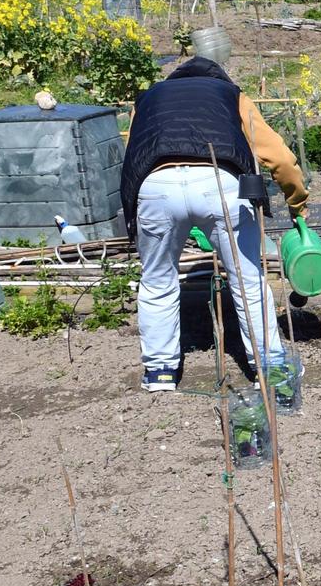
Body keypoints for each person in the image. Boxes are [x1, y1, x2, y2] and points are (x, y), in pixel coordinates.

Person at [121, 42, 307, 393]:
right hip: (219, 181)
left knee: (158, 279)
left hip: (156, 183)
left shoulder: (148, 99)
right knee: (248, 280)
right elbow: (279, 159)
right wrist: (298, 203)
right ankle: (270, 367)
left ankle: (160, 372)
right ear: (219, 78)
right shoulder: (230, 95)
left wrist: (133, 212)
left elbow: (133, 154)